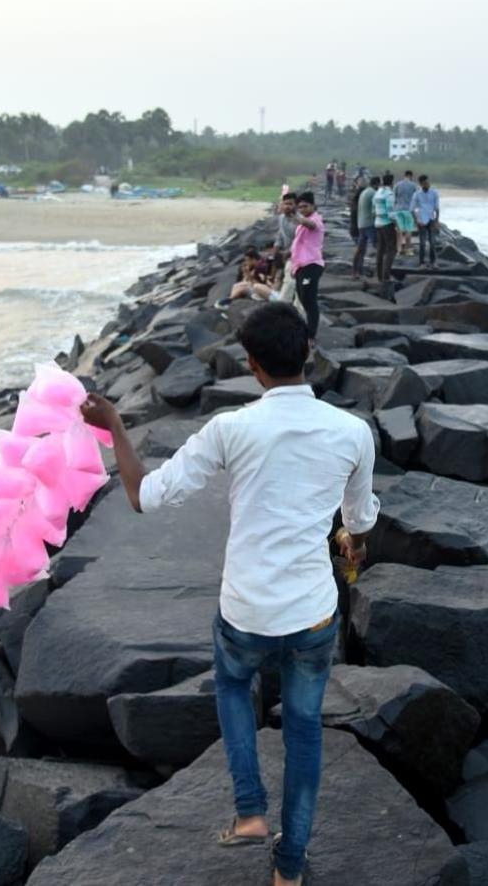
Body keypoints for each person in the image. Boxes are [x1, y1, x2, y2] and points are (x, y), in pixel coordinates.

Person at [80, 302, 377, 886]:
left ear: (252, 366)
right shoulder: (352, 433)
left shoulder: (231, 429)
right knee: (304, 732)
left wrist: (114, 425)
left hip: (244, 610)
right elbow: (359, 521)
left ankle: (248, 812)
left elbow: (145, 497)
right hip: (313, 613)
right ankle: (288, 870)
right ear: (309, 355)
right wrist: (350, 545)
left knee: (234, 688)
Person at [286, 190, 326, 338]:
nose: (302, 209)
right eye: (300, 207)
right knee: (303, 299)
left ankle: (311, 336)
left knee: (310, 301)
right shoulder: (300, 224)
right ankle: (306, 330)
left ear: (313, 206)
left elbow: (308, 223)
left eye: (305, 206)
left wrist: (295, 213)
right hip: (300, 266)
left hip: (312, 265)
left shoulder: (316, 221)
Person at [351, 174, 377, 277]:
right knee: (363, 249)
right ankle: (358, 271)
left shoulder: (356, 202)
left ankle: (357, 271)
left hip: (358, 227)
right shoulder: (359, 204)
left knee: (361, 250)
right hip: (360, 227)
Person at [372, 173, 397, 282]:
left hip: (378, 223)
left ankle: (379, 275)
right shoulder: (389, 194)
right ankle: (386, 276)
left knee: (380, 250)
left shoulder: (378, 192)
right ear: (392, 182)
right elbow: (390, 212)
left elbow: (373, 208)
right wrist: (397, 224)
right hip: (387, 224)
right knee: (391, 250)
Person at [412, 174, 440, 267]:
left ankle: (433, 262)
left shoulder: (434, 193)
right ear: (421, 184)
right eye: (425, 183)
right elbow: (412, 209)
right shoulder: (417, 194)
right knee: (422, 243)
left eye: (428, 182)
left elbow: (437, 208)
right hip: (421, 220)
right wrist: (416, 221)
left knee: (432, 242)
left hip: (431, 219)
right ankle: (422, 262)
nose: (428, 184)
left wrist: (437, 221)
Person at [392, 170, 418, 257]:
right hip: (408, 210)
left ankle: (399, 250)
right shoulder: (413, 185)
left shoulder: (397, 185)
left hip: (398, 210)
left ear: (404, 175)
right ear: (411, 176)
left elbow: (394, 198)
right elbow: (416, 199)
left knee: (399, 231)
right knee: (408, 230)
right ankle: (408, 250)